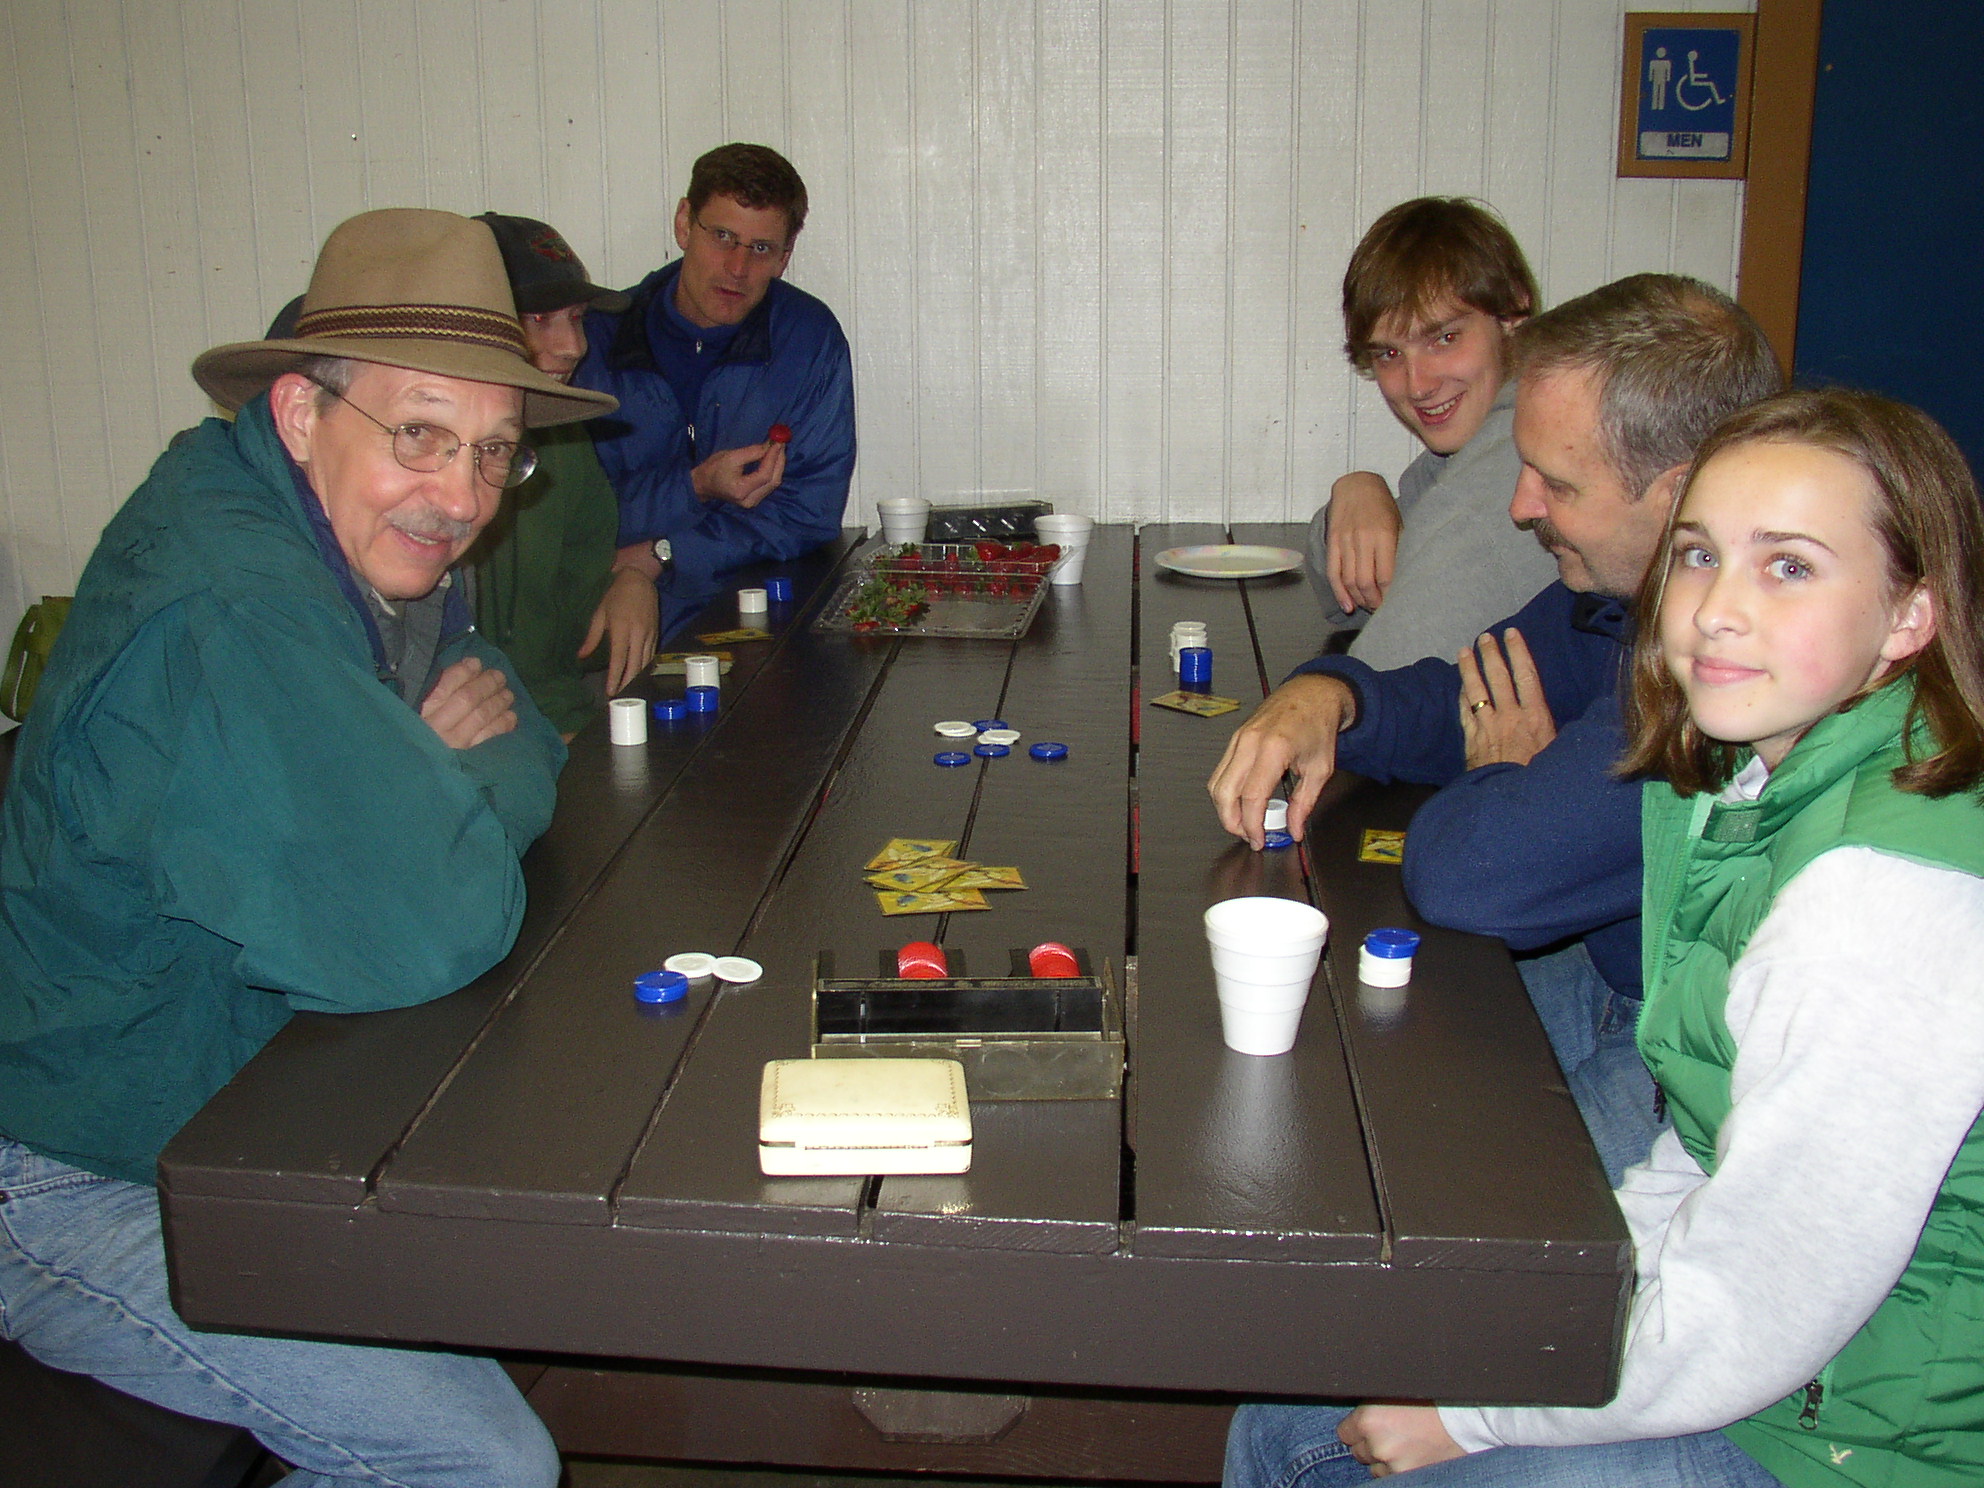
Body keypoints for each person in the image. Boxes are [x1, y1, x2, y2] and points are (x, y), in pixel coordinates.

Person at [1225, 386, 1984, 1488]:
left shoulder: (1877, 895)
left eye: (1788, 567)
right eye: (1696, 557)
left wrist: (1478, 1410)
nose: (1717, 610)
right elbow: (1703, 1134)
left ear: (1910, 616)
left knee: (1307, 1441)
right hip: (1792, 1366)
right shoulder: (1735, 777)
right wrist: (1555, 1306)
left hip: (1858, 1442)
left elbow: (1760, 1300)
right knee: (1302, 1396)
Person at [0, 209, 616, 1485]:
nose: (460, 498)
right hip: (68, 1173)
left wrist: (444, 772)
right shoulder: (235, 602)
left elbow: (504, 698)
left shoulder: (326, 517)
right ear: (298, 412)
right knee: (484, 1462)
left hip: (229, 1099)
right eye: (421, 435)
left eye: (495, 454)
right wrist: (440, 784)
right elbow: (425, 919)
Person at [1210, 274, 1782, 1180]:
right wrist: (1333, 697)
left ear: (1683, 501)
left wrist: (1504, 777)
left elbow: (1474, 877)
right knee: (1355, 1096)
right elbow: (1470, 689)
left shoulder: (1728, 681)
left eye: (1556, 482)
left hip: (1712, 1067)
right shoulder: (1619, 598)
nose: (1520, 506)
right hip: (1614, 971)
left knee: (1456, 1190)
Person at [576, 142, 856, 631]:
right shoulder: (593, 341)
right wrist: (696, 487)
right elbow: (579, 518)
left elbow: (810, 512)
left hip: (759, 617)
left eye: (761, 248)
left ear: (785, 257)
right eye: (723, 236)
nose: (738, 268)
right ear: (684, 223)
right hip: (603, 610)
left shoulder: (809, 338)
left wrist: (663, 554)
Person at [1308, 197, 1559, 668]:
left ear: (1513, 316)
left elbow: (1385, 672)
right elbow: (1346, 595)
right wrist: (1358, 490)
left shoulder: (1521, 458)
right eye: (1389, 355)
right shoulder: (1476, 443)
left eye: (1444, 339)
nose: (1418, 384)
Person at [470, 212, 656, 737]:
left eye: (575, 318)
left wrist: (631, 581)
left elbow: (573, 636)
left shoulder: (565, 438)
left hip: (561, 725)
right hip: (475, 751)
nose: (574, 346)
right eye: (539, 320)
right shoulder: (428, 466)